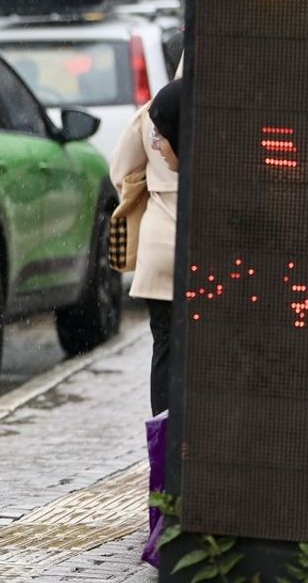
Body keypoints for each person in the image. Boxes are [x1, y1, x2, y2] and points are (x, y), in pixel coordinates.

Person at [109, 77, 184, 415]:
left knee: (166, 345)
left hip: (158, 244)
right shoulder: (221, 111)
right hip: (207, 248)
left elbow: (120, 170)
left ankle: (163, 441)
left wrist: (151, 182)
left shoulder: (150, 113)